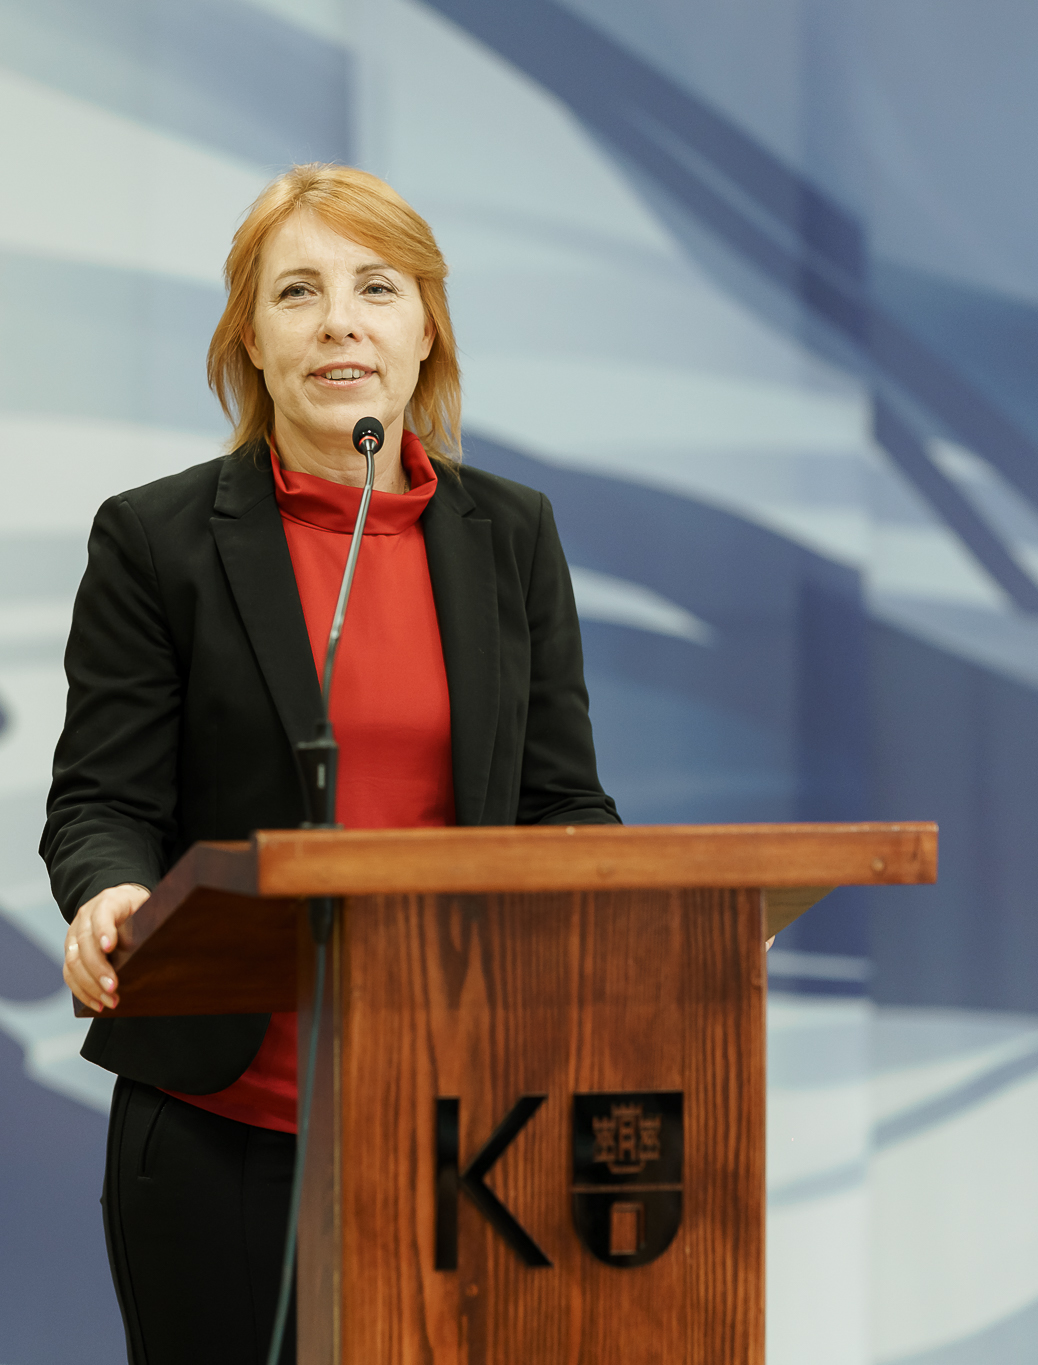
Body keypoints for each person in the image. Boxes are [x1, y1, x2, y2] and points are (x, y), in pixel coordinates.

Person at [40, 163, 620, 1365]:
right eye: (296, 291)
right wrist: (109, 894)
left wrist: (660, 924)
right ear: (250, 340)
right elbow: (103, 799)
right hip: (225, 1118)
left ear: (425, 331)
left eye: (376, 288)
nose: (339, 322)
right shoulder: (154, 540)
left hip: (471, 1118)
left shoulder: (511, 535)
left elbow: (560, 801)